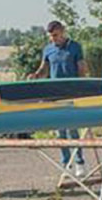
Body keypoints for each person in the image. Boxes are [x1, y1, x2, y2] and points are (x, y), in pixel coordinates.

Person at [28, 21, 89, 177]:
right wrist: (35, 75)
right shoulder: (48, 50)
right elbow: (44, 68)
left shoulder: (75, 47)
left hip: (71, 93)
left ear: (62, 32)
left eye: (55, 35)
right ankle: (66, 164)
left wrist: (81, 88)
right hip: (54, 94)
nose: (53, 39)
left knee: (73, 130)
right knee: (59, 131)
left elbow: (81, 68)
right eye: (50, 36)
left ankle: (79, 162)